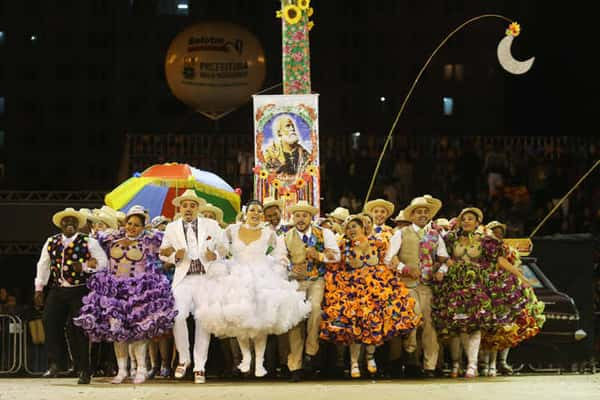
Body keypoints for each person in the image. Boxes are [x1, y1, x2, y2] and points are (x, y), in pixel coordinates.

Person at [196, 200, 311, 378]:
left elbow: (279, 254)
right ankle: (246, 357)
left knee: (260, 321)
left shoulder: (269, 233)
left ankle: (259, 361)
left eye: (259, 211)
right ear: (246, 212)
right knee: (239, 318)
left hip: (261, 275)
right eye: (252, 210)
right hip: (237, 274)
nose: (255, 213)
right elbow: (221, 249)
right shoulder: (231, 230)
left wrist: (280, 267)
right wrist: (214, 254)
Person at [74, 205, 177, 384]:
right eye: (129, 223)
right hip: (115, 292)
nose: (131, 227)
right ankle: (122, 370)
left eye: (136, 225)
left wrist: (169, 254)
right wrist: (86, 264)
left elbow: (170, 250)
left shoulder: (150, 242)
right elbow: (92, 251)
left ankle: (141, 369)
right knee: (117, 331)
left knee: (139, 332)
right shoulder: (110, 239)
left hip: (138, 292)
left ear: (143, 227)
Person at [431, 208, 530, 379]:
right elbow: (443, 258)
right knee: (461, 326)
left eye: (471, 219)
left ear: (477, 222)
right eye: (464, 218)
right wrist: (442, 269)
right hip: (456, 287)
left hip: (477, 287)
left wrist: (520, 275)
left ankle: (472, 364)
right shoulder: (451, 239)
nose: (467, 221)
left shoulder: (487, 241)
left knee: (476, 326)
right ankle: (466, 363)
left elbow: (500, 260)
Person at [320, 215, 420, 378]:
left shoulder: (379, 243)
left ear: (363, 228)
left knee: (375, 322)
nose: (352, 230)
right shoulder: (343, 245)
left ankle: (370, 357)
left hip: (376, 288)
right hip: (354, 289)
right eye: (349, 227)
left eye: (355, 226)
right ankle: (353, 363)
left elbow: (387, 261)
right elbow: (335, 266)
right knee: (355, 324)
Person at [33, 208, 108, 384]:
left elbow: (103, 263)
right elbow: (43, 265)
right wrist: (38, 288)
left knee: (79, 330)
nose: (69, 224)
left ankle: (84, 370)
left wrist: (84, 267)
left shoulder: (88, 241)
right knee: (49, 321)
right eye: (66, 221)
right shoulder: (51, 242)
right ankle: (58, 363)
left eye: (73, 221)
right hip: (58, 289)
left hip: (80, 290)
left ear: (78, 225)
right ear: (61, 224)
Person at [159, 189, 225, 384]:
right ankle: (183, 359)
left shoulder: (211, 225)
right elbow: (163, 252)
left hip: (205, 277)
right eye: (185, 205)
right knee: (178, 316)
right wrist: (173, 256)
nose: (188, 208)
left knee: (202, 320)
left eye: (192, 205)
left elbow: (224, 246)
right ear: (180, 208)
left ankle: (199, 366)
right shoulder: (171, 228)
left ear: (198, 208)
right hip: (183, 278)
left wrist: (217, 255)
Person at [385, 195, 448, 378]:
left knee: (429, 324)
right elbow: (389, 258)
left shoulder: (435, 235)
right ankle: (411, 357)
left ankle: (429, 365)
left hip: (427, 285)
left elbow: (444, 259)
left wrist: (441, 270)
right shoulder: (401, 233)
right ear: (411, 215)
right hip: (407, 286)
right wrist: (404, 268)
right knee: (412, 319)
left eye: (425, 212)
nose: (422, 214)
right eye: (418, 212)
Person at [478, 221, 545, 377]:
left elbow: (511, 264)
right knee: (487, 327)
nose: (498, 233)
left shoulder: (507, 249)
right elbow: (500, 262)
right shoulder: (483, 245)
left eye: (501, 231)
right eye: (495, 230)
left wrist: (520, 279)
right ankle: (484, 363)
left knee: (506, 325)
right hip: (487, 287)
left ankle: (500, 362)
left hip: (506, 289)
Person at [284, 200, 341, 382]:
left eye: (305, 215)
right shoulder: (285, 236)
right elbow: (278, 258)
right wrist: (290, 268)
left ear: (311, 217)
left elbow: (336, 256)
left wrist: (319, 256)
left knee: (315, 308)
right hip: (295, 282)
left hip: (317, 279)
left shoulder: (324, 233)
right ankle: (296, 366)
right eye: (298, 215)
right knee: (295, 320)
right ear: (293, 217)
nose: (301, 219)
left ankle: (311, 350)